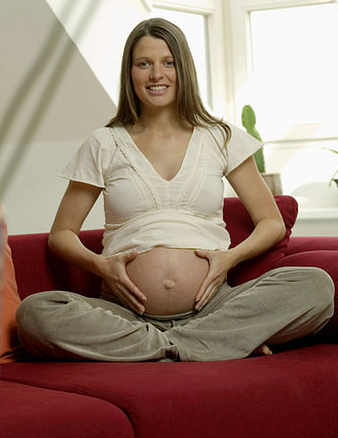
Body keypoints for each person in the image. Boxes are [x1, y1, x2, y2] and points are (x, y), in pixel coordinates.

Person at [16, 18, 334, 362]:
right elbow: (62, 234)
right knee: (34, 314)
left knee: (317, 286)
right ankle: (207, 344)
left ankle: (168, 345)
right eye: (144, 64)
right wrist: (102, 266)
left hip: (215, 306)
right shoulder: (104, 143)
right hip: (125, 312)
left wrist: (230, 258)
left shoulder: (220, 137)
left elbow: (270, 222)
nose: (156, 75)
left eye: (168, 63)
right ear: (130, 73)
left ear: (183, 69)